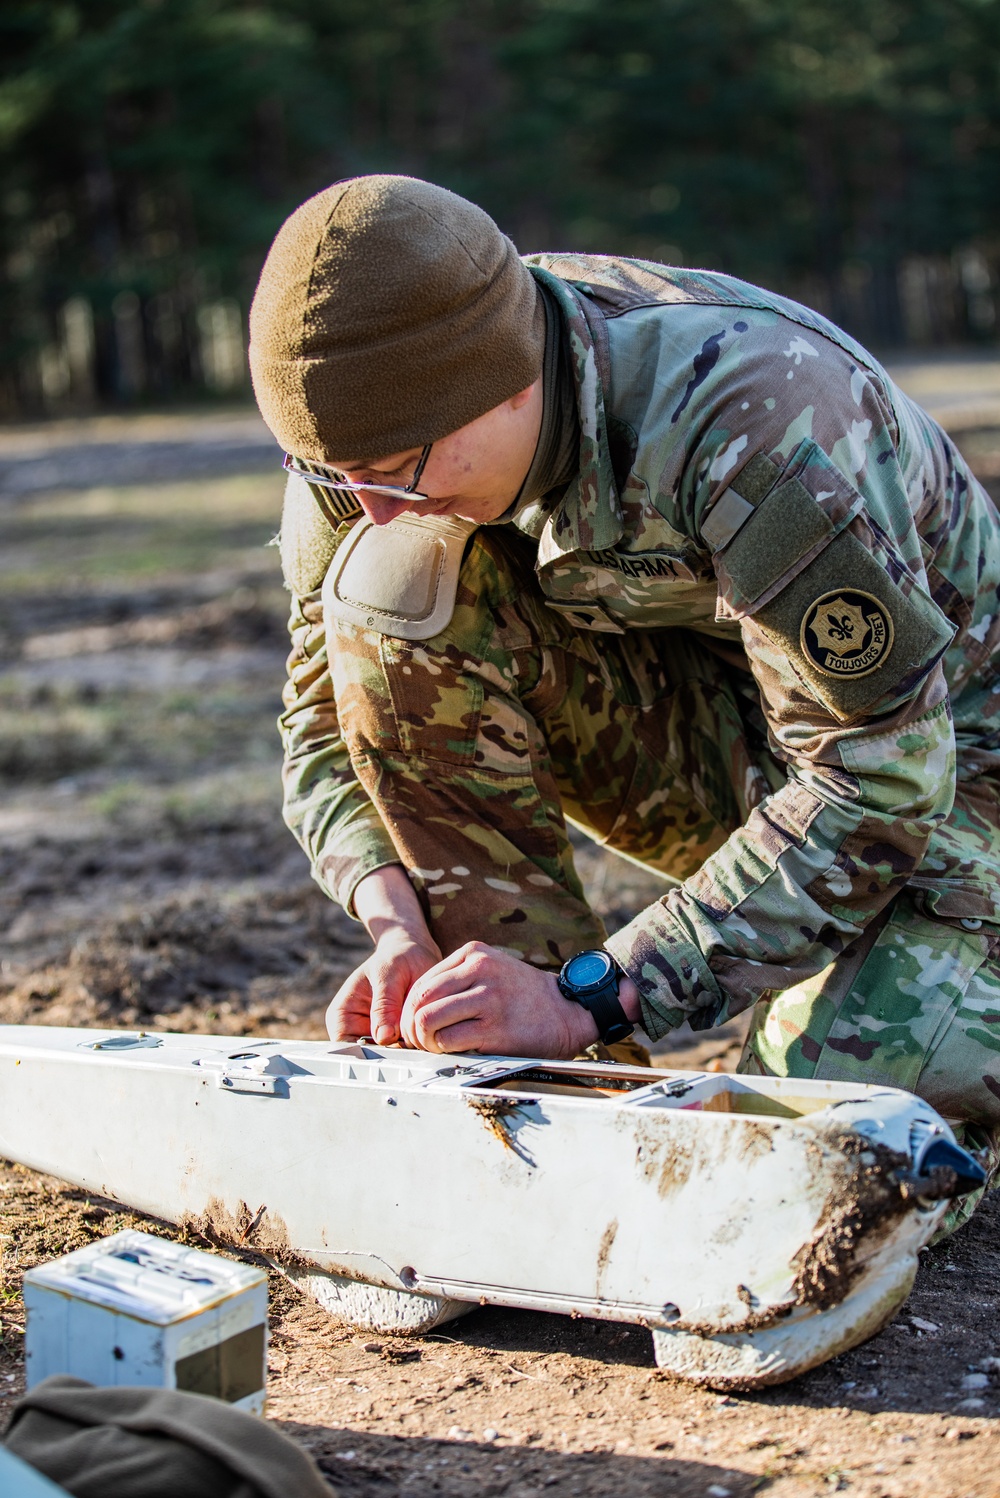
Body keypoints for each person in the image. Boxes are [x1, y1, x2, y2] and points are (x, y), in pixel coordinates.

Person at [249, 174, 1000, 1200]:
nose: (372, 506)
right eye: (336, 479)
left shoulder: (755, 414)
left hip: (951, 779)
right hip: (748, 745)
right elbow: (323, 711)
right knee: (386, 592)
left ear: (508, 381)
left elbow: (881, 775)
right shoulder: (358, 433)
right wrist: (398, 928)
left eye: (393, 471)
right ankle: (557, 1117)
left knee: (817, 1152)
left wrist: (602, 991)